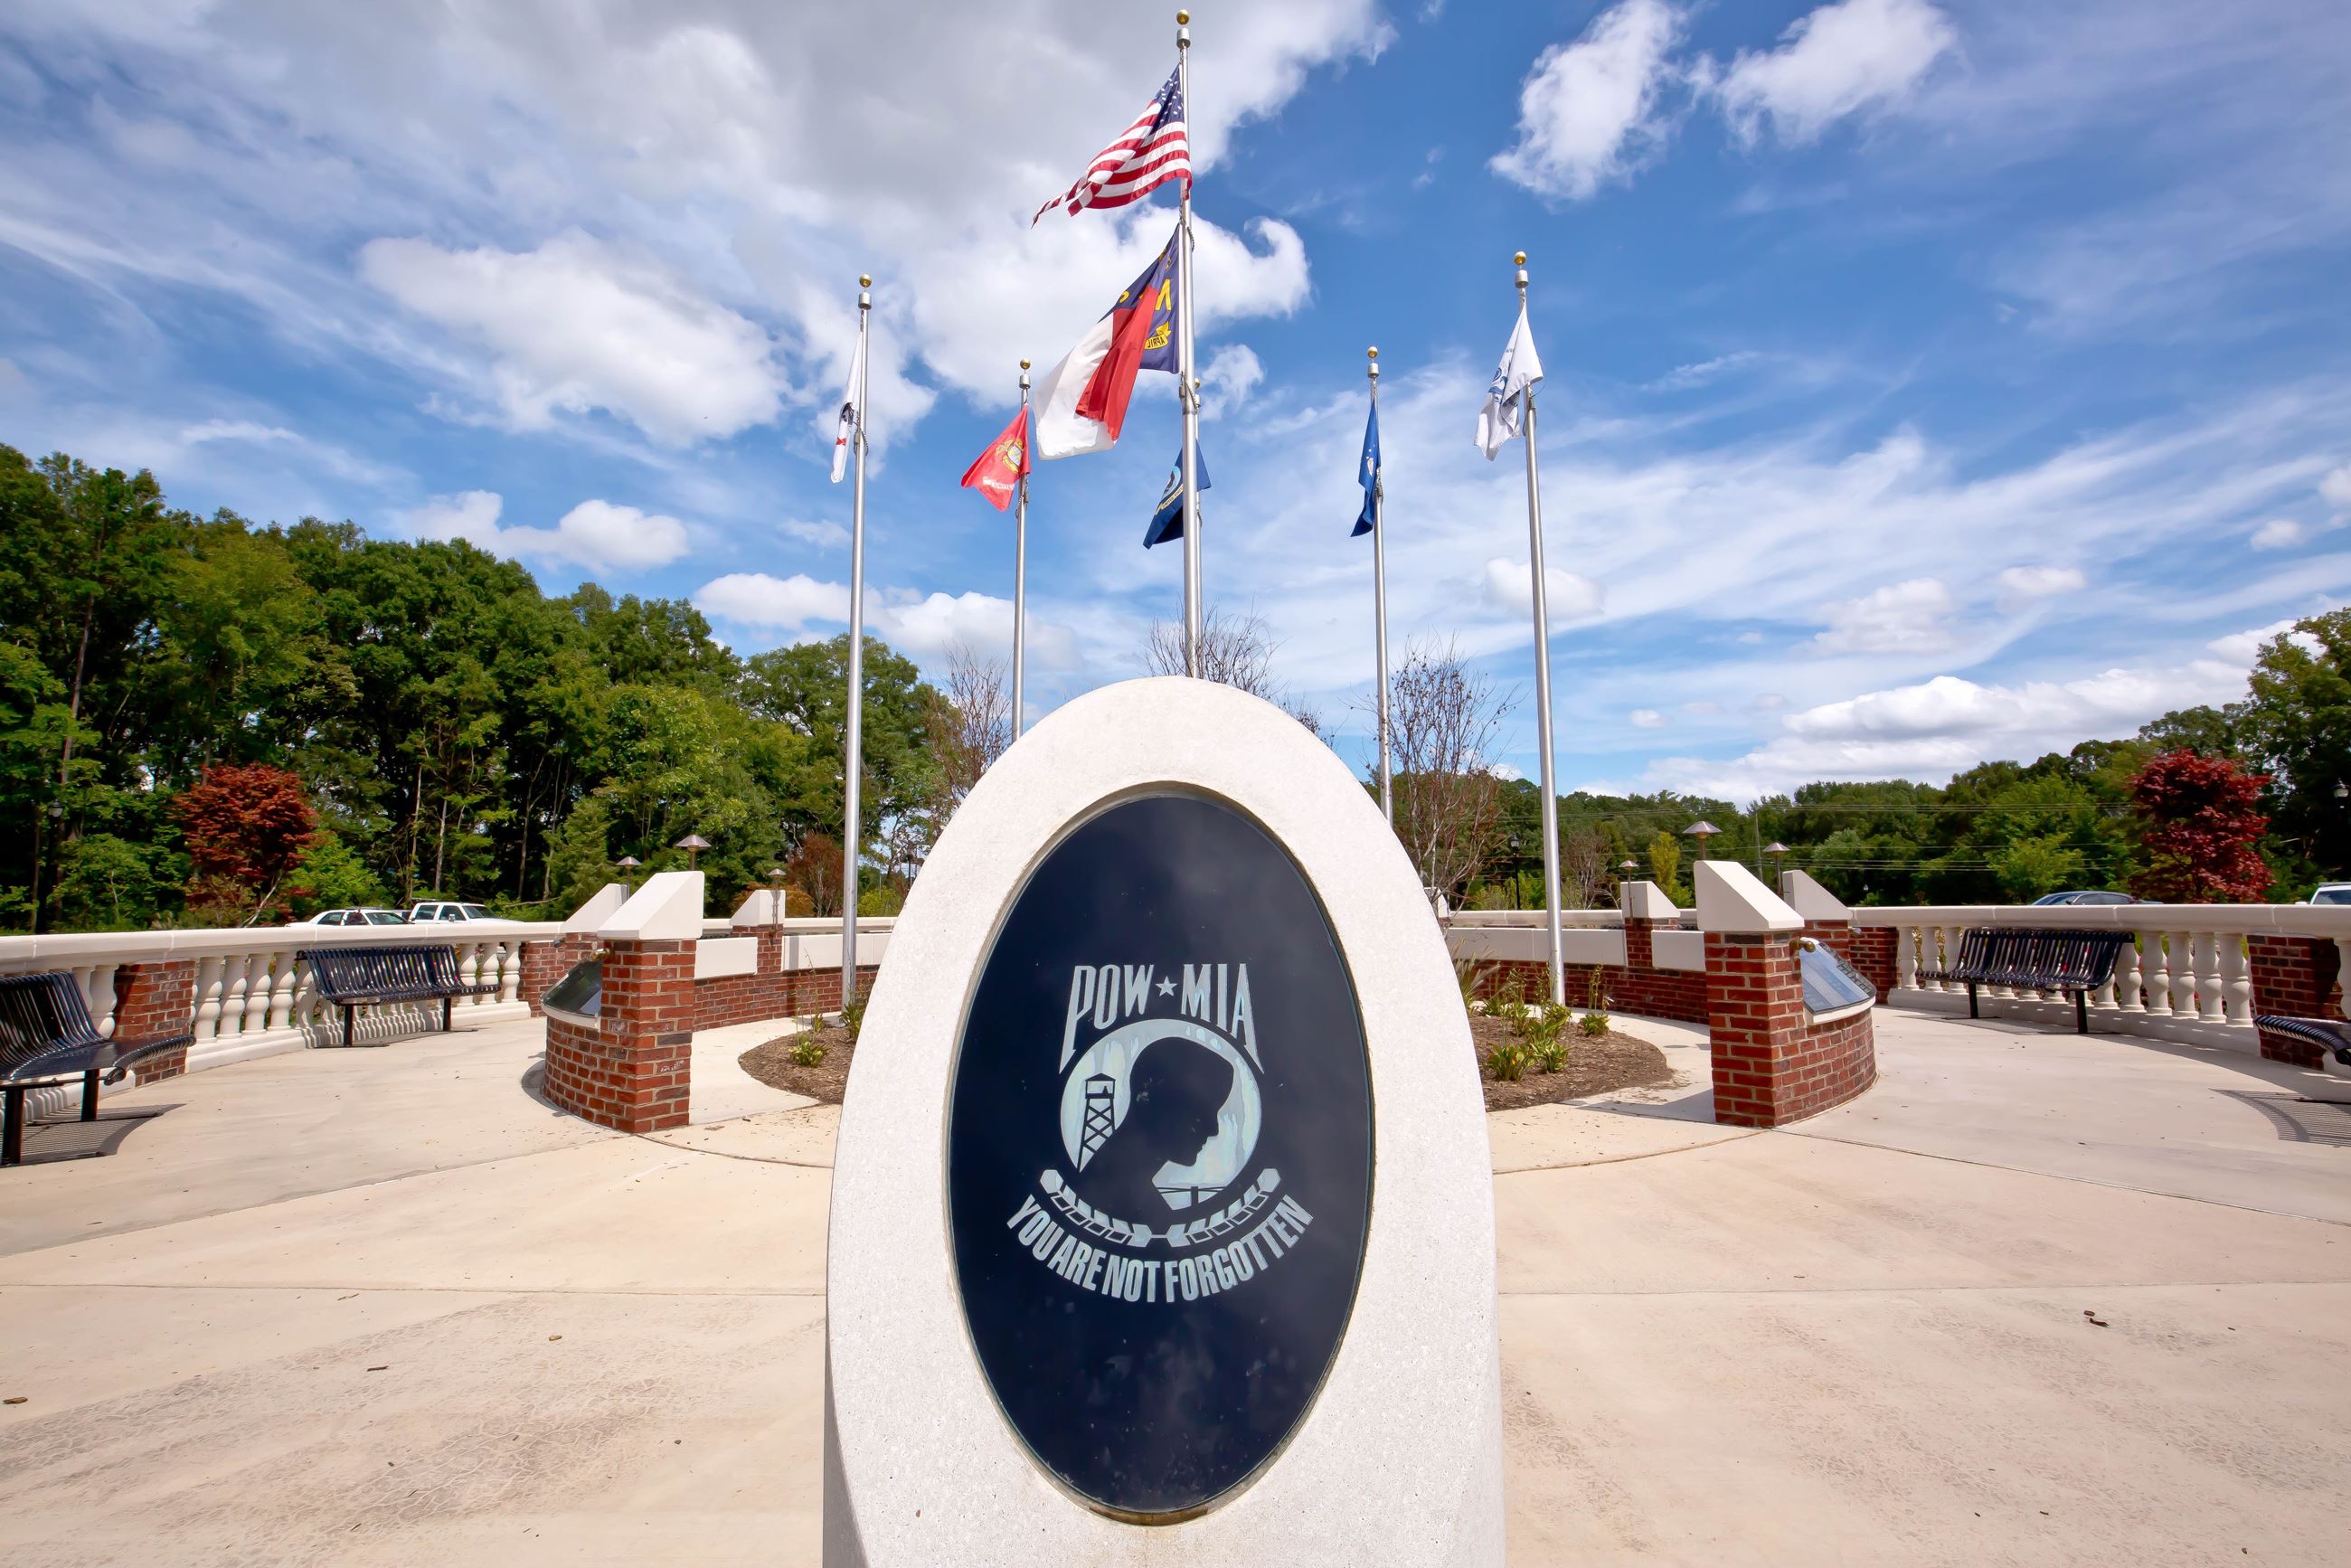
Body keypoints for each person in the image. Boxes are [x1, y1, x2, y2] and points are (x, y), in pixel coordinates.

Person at [1073, 1037, 1232, 1221]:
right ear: (1146, 1094)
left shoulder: (1147, 1215)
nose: (1214, 1130)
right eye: (1199, 1112)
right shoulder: (1141, 1215)